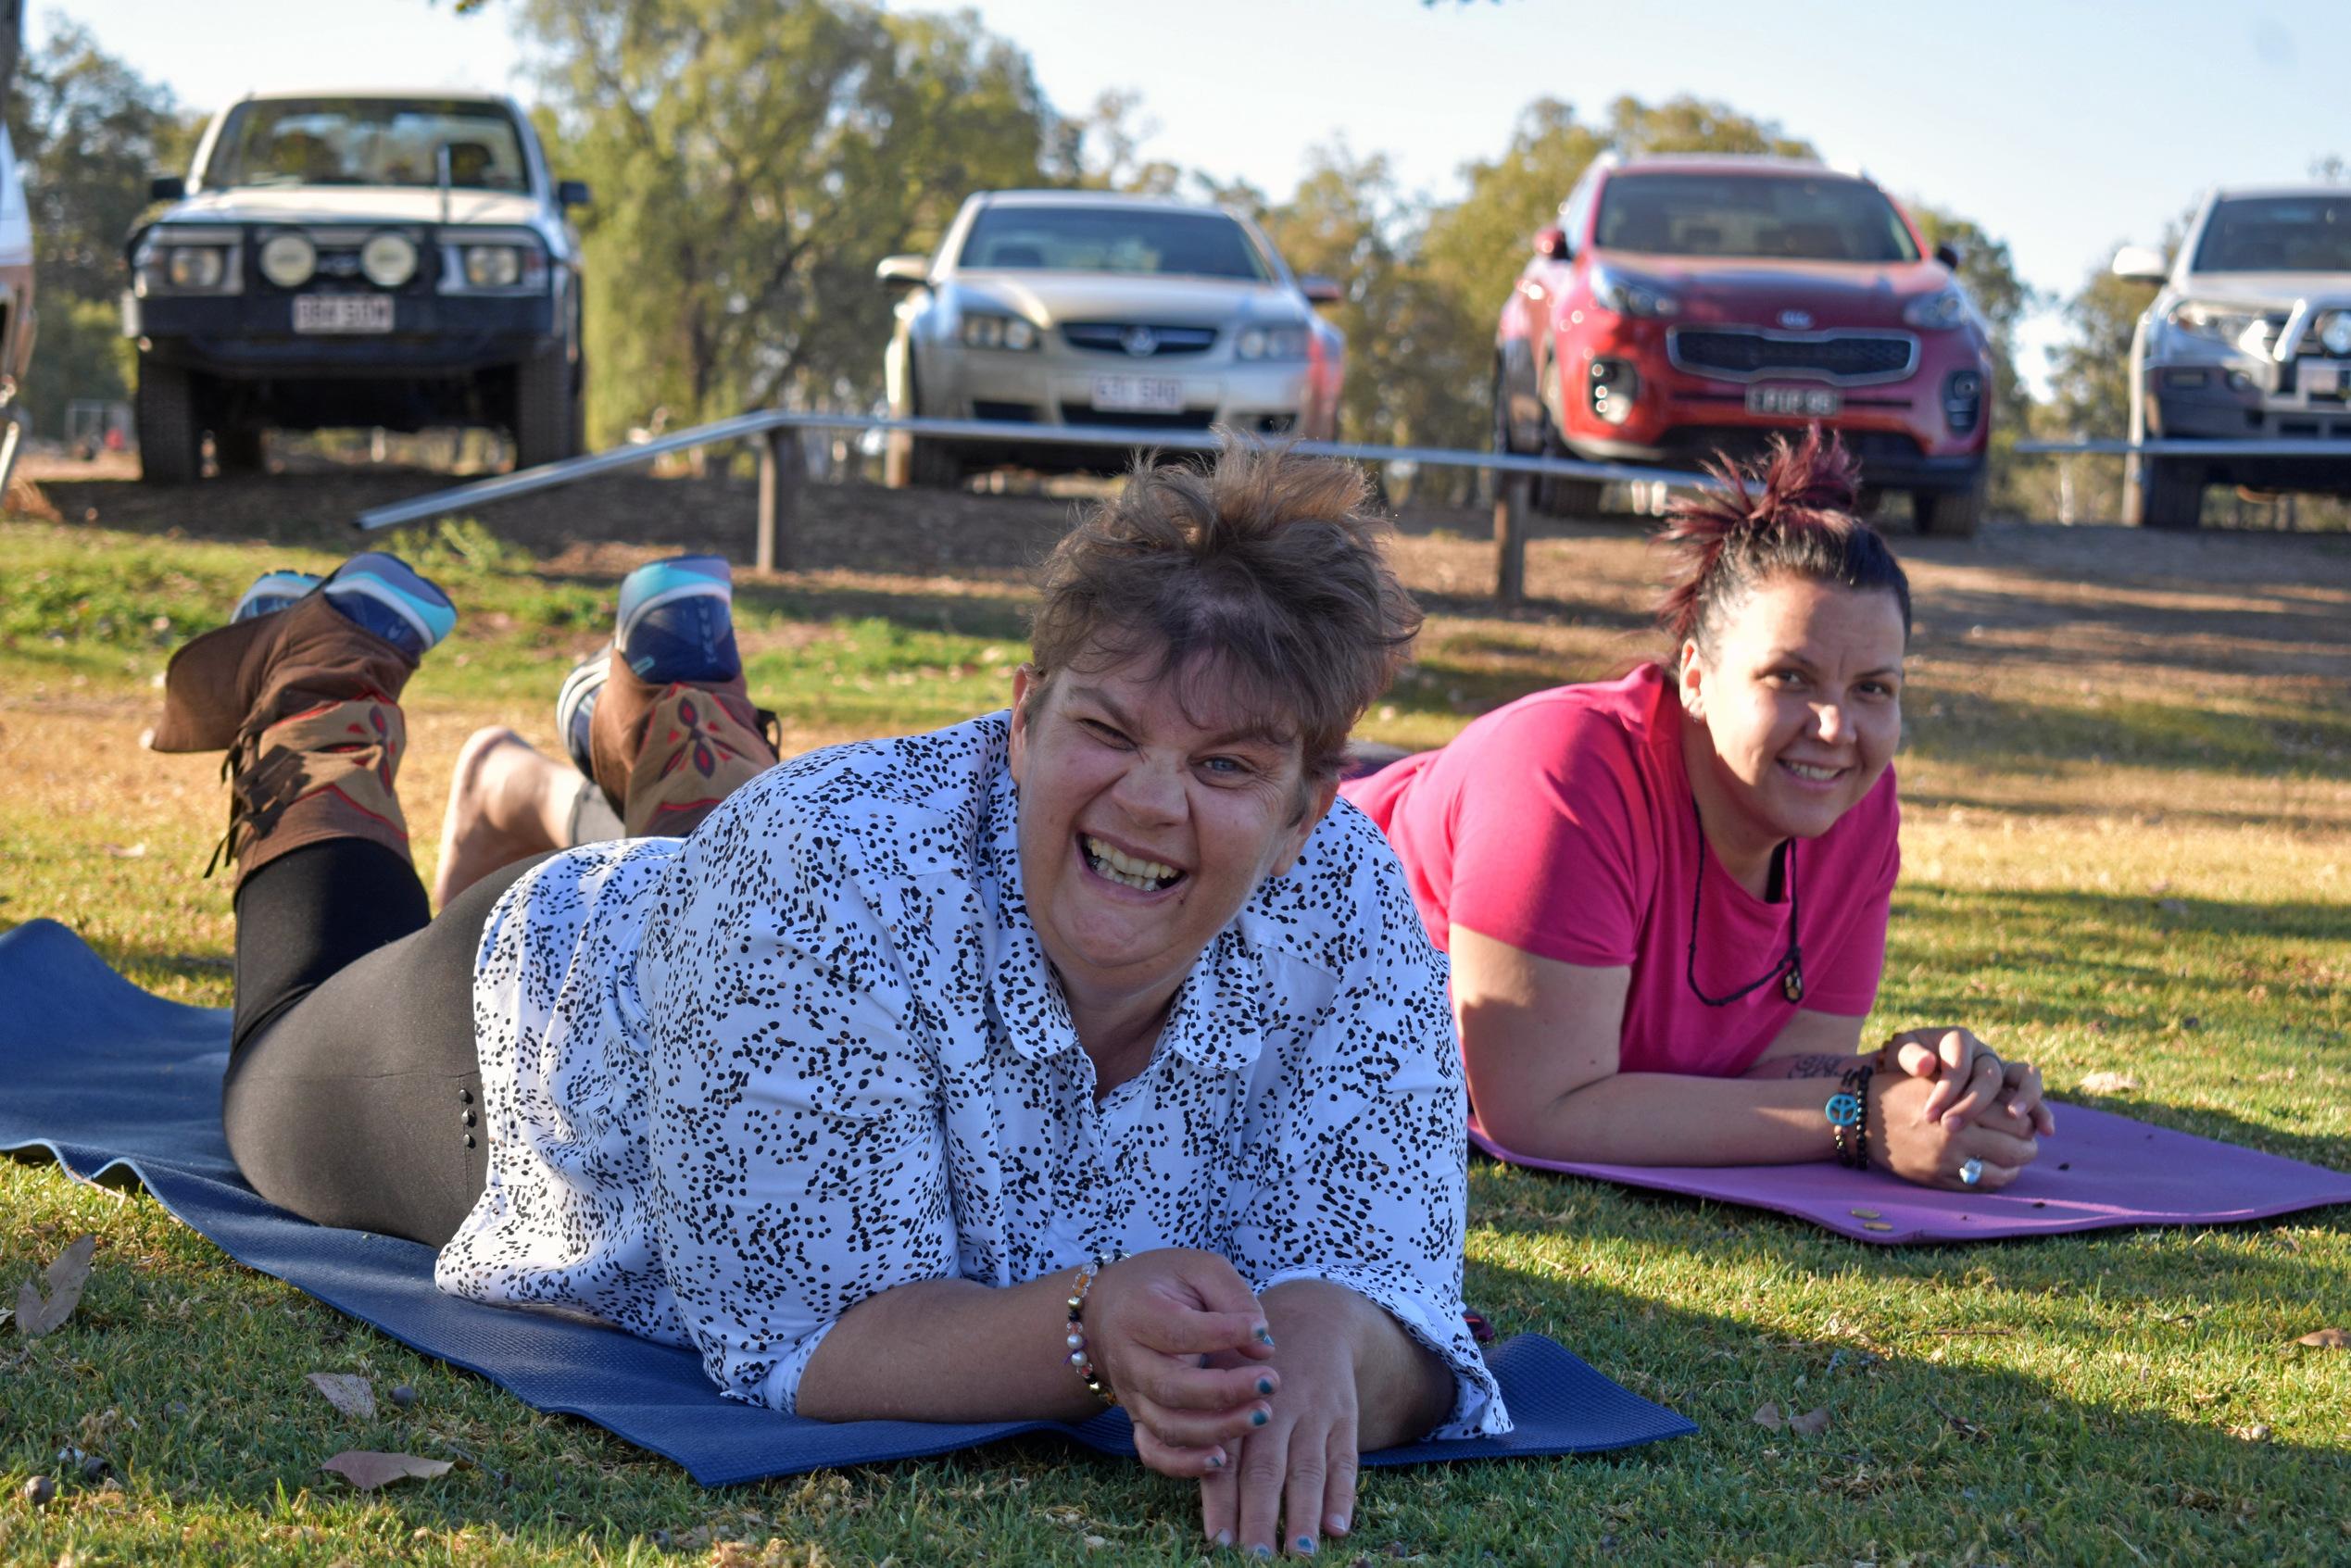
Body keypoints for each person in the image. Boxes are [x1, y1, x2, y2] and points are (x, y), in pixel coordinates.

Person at [149, 444, 1507, 1559]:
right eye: (1104, 731)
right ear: (1021, 717)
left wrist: (1334, 1335)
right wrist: (1091, 1328)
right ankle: (310, 693)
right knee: (272, 1079)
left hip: (737, 906)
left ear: (1304, 808)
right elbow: (809, 1337)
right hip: (539, 1046)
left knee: (756, 859)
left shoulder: (1350, 893)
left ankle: (668, 712)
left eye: (1223, 765)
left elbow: (1391, 1279)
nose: (1151, 800)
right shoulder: (819, 868)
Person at [1343, 429, 2053, 1192]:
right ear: (1695, 675)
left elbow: (1771, 1072)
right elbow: (1536, 1110)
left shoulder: (1856, 803)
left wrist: (1916, 1082)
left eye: (1873, 689)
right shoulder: (1565, 770)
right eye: (1791, 676)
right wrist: (1854, 1117)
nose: (1835, 728)